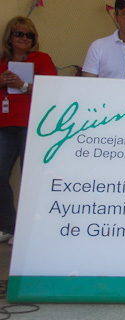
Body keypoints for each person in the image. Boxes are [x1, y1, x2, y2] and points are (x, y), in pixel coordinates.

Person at [0, 17, 58, 246]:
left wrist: (23, 85)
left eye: (29, 35)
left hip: (32, 124)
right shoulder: (2, 61)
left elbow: (52, 89)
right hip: (4, 124)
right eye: (19, 34)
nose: (24, 38)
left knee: (30, 177)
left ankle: (28, 230)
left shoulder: (42, 59)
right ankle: (7, 226)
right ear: (9, 37)